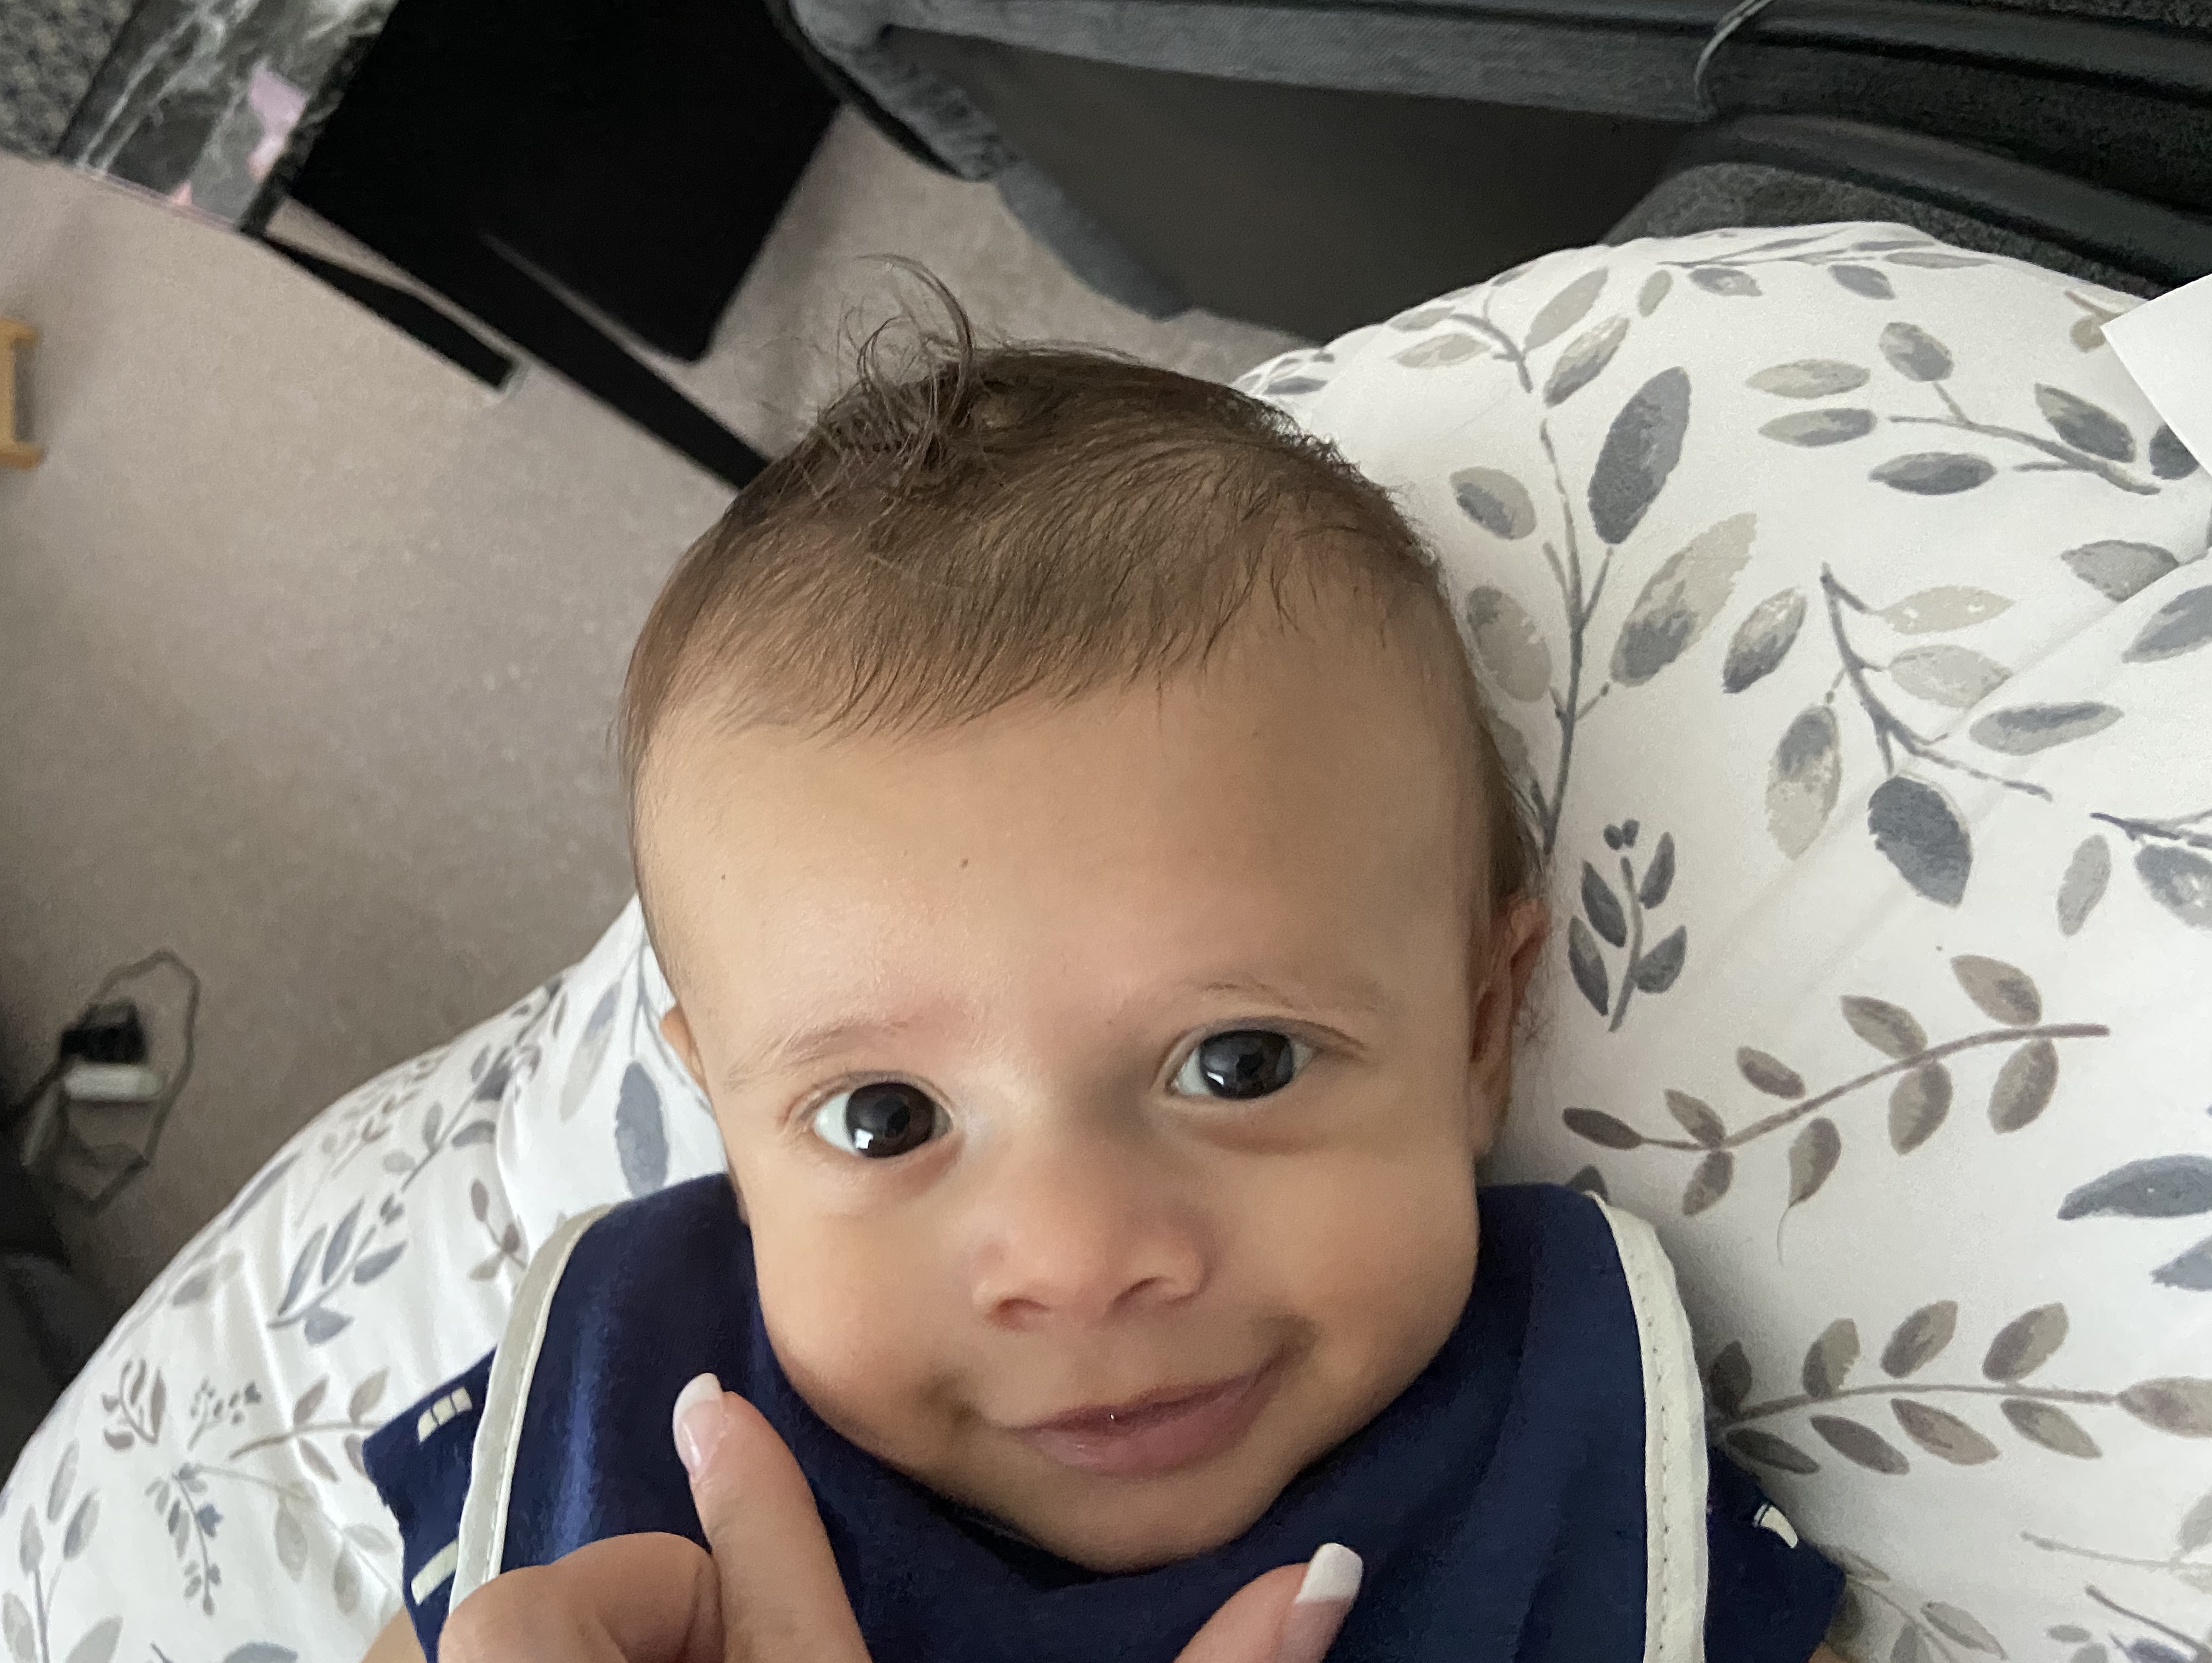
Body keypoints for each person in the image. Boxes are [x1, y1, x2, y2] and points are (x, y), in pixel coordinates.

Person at [359, 285, 1849, 1663]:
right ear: (732, 1139)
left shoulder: (1558, 1432)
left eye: (1239, 1064)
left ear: (1477, 1032)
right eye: (883, 1117)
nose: (1077, 1258)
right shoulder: (625, 1408)